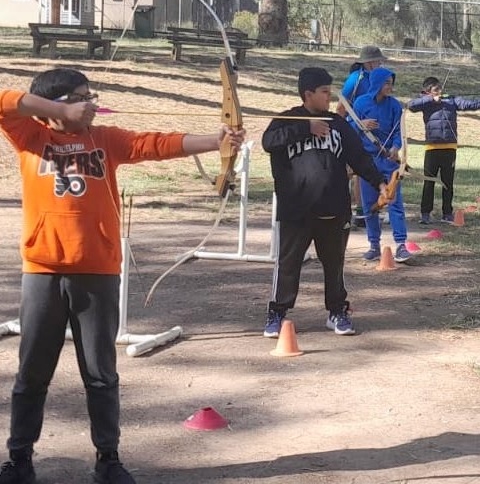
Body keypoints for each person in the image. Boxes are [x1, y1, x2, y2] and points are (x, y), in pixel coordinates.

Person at [0, 67, 245, 484]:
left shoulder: (106, 139)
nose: (92, 102)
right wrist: (61, 112)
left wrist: (216, 140)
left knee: (100, 373)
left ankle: (107, 459)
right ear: (57, 103)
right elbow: (7, 101)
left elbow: (155, 144)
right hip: (43, 269)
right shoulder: (30, 137)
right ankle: (19, 458)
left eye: (91, 96)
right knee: (32, 374)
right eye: (83, 96)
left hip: (96, 270)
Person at [262, 66, 388, 339]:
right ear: (308, 94)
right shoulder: (286, 120)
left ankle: (337, 311)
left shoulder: (337, 124)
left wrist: (378, 181)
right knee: (288, 262)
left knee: (334, 263)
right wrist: (305, 128)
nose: (330, 96)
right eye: (324, 92)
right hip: (296, 209)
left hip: (333, 208)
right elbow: (268, 141)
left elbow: (359, 156)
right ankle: (277, 312)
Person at [352, 66, 411, 264]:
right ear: (377, 83)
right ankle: (374, 245)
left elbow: (398, 132)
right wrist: (362, 125)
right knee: (370, 205)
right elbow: (348, 125)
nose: (390, 87)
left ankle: (401, 245)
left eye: (391, 83)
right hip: (367, 162)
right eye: (386, 83)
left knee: (395, 202)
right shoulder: (361, 103)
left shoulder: (394, 105)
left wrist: (396, 147)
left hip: (388, 161)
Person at [407, 76, 480, 224]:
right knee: (429, 182)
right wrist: (430, 100)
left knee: (448, 182)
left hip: (449, 148)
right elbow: (411, 105)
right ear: (427, 92)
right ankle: (425, 213)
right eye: (436, 90)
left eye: (440, 89)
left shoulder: (450, 101)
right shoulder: (425, 102)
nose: (440, 92)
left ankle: (447, 213)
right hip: (432, 148)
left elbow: (469, 104)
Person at [336, 45, 386, 226]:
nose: (381, 63)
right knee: (350, 171)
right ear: (370, 62)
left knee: (364, 170)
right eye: (378, 61)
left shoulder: (379, 80)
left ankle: (364, 211)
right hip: (354, 130)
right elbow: (341, 107)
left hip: (373, 134)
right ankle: (348, 211)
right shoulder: (355, 79)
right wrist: (350, 128)